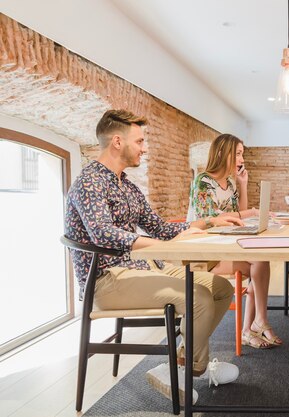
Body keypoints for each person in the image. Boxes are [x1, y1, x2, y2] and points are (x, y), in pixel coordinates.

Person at [65, 110, 244, 404]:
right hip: (106, 281)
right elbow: (103, 234)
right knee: (197, 296)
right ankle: (188, 370)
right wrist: (154, 245)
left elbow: (159, 227)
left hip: (138, 270)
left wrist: (210, 222)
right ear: (118, 142)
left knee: (221, 288)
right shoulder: (90, 181)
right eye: (140, 141)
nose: (144, 147)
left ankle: (176, 364)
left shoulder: (127, 184)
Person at [188, 133, 282, 349]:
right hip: (207, 253)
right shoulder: (203, 181)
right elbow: (210, 221)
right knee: (259, 262)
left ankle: (252, 327)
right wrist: (250, 212)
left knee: (260, 260)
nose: (241, 159)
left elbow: (238, 213)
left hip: (226, 245)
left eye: (242, 154)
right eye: (238, 154)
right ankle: (254, 326)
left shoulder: (229, 183)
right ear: (223, 153)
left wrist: (242, 185)